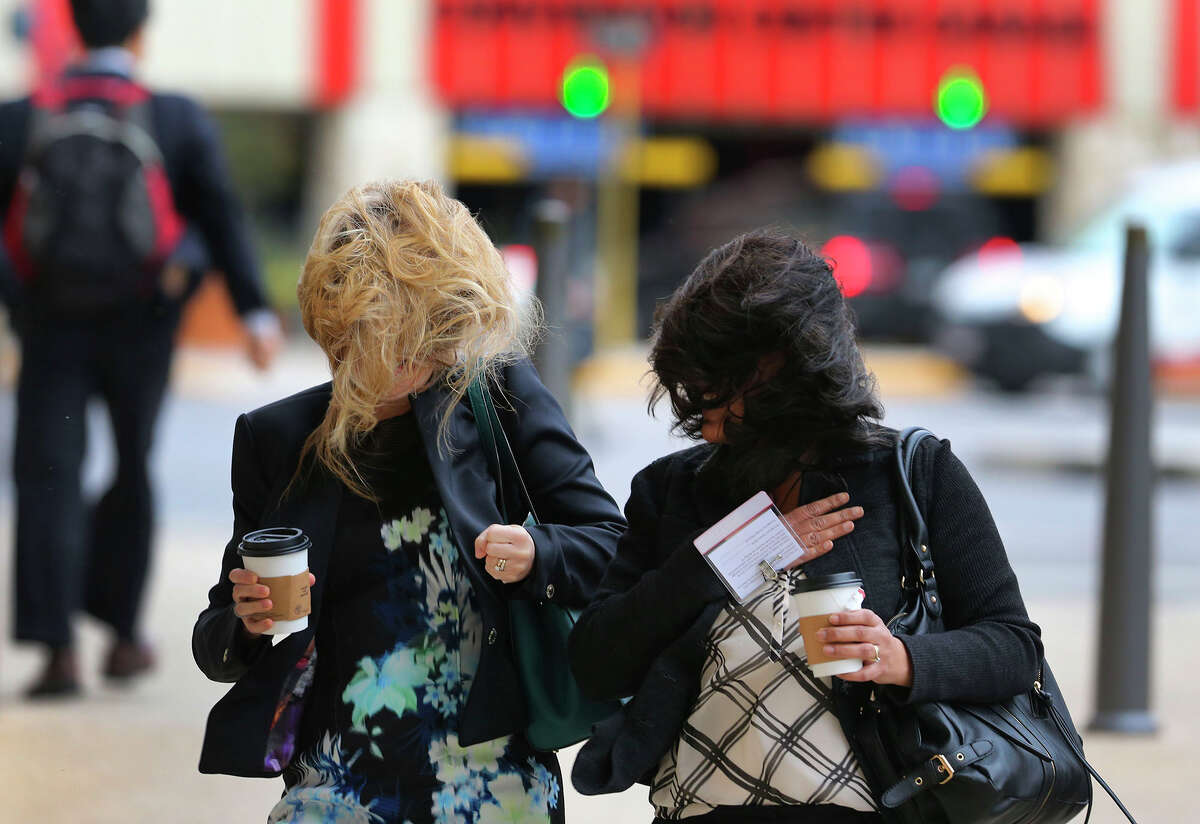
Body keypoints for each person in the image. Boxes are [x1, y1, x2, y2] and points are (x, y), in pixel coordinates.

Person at [569, 231, 1043, 823]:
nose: (707, 423)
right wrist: (728, 558)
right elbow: (595, 660)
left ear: (787, 372)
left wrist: (900, 658)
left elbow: (1014, 648)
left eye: (723, 393)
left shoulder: (915, 475)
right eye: (698, 396)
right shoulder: (671, 490)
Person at [193, 179, 625, 823]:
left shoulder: (500, 397)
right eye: (380, 345)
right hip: (337, 784)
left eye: (423, 344)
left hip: (494, 777)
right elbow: (215, 644)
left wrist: (539, 552)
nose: (406, 366)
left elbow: (611, 548)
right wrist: (248, 622)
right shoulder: (278, 439)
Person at [1, 0, 282, 697]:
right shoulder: (175, 115)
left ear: (73, 28)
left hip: (51, 326)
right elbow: (219, 212)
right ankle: (124, 637)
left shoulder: (21, 116)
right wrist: (254, 311)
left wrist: (19, 305)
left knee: (47, 476)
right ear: (138, 34)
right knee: (133, 467)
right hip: (142, 324)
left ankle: (57, 651)